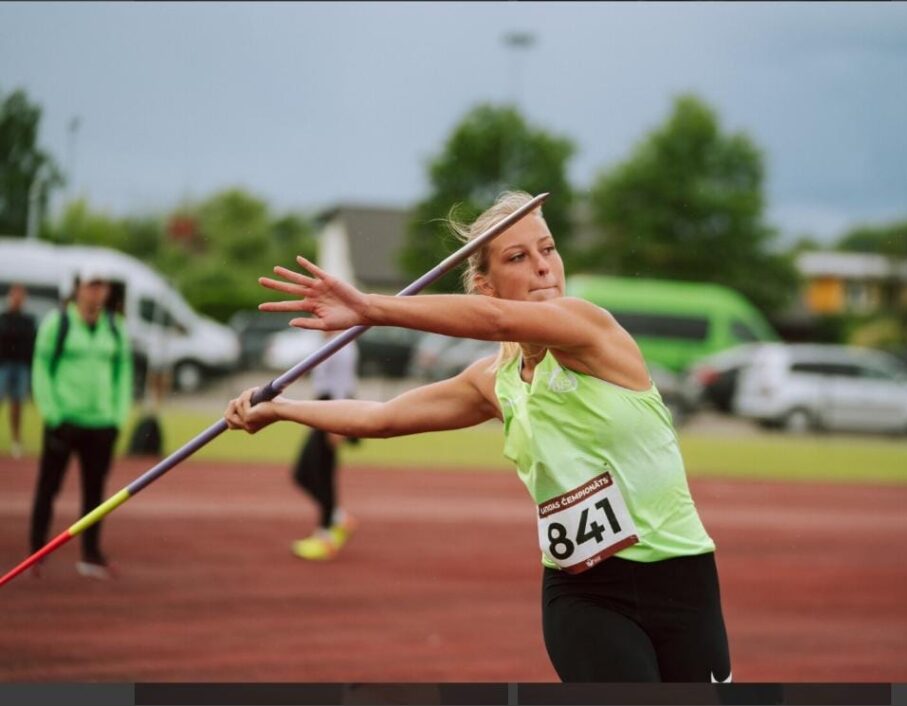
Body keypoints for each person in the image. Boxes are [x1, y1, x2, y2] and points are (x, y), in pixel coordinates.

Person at [224, 191, 732, 683]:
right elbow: (381, 417)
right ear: (486, 283)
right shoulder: (495, 381)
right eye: (517, 256)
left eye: (548, 248)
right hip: (582, 591)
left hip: (681, 580)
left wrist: (370, 308)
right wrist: (283, 408)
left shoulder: (590, 328)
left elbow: (495, 321)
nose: (543, 266)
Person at [30, 266, 133, 580]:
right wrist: (52, 414)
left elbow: (123, 375)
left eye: (102, 286)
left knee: (95, 494)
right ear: (77, 289)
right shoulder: (57, 323)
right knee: (48, 487)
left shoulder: (114, 327)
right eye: (91, 285)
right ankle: (36, 551)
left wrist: (117, 417)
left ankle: (91, 554)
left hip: (101, 423)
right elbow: (41, 368)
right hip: (64, 421)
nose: (97, 291)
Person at [290, 330, 361, 561]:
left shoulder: (343, 345)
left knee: (322, 473)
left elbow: (343, 384)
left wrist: (337, 426)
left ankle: (326, 535)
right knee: (304, 473)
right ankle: (337, 519)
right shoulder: (330, 341)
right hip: (323, 408)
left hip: (333, 411)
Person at [0, 284, 36, 459]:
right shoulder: (3, 318)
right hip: (3, 366)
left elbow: (31, 344)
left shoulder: (28, 320)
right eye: (15, 295)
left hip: (21, 367)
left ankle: (16, 441)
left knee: (17, 406)